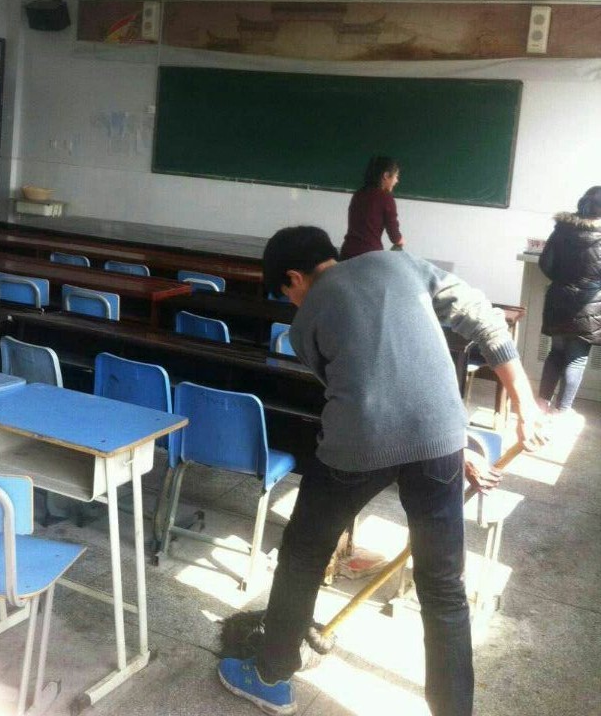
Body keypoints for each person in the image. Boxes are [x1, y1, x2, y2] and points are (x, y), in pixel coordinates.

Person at [218, 225, 544, 716]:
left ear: (294, 278)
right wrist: (522, 403)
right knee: (444, 586)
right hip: (441, 439)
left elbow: (357, 390)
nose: (292, 302)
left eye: (286, 293)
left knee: (303, 555)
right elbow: (483, 319)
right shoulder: (399, 263)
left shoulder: (303, 324)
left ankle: (271, 676)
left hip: (357, 445)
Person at [537, 185, 601, 415]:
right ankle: (562, 412)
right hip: (590, 304)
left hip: (558, 299)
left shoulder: (563, 228)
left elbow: (545, 264)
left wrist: (563, 281)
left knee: (555, 353)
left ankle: (541, 406)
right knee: (576, 360)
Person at [340, 155, 403, 259]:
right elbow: (394, 234)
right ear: (386, 175)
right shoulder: (386, 198)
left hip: (347, 253)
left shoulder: (359, 194)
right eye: (396, 176)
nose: (397, 181)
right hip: (369, 256)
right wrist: (400, 240)